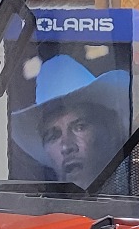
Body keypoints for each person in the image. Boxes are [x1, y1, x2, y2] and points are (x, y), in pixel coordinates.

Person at [13, 54, 131, 188]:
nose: (66, 147)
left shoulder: (135, 193)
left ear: (109, 132)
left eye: (79, 127)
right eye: (53, 136)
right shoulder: (42, 206)